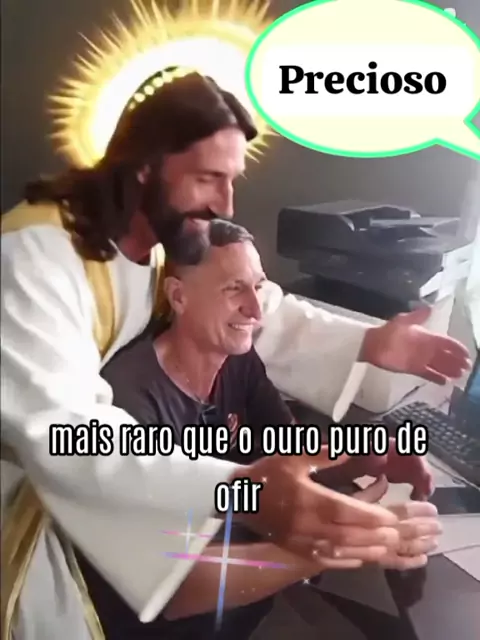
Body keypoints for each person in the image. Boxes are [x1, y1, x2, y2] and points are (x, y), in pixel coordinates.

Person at [0, 73, 466, 638]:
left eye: (232, 179)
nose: (225, 202)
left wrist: (368, 346)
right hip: (33, 522)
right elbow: (67, 437)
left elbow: (255, 307)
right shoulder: (33, 257)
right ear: (144, 167)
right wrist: (249, 493)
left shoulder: (149, 245)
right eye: (208, 178)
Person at [77, 217, 441, 639]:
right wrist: (335, 547)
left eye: (258, 287)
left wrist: (367, 456)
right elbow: (175, 589)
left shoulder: (238, 361)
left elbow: (288, 459)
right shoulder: (128, 403)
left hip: (248, 600)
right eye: (234, 289)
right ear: (178, 297)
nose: (254, 309)